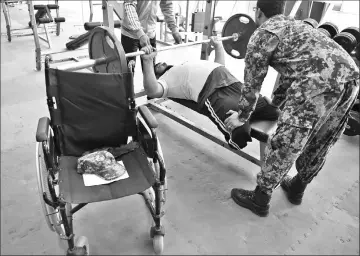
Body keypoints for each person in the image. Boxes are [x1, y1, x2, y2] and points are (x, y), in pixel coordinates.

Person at [225, 0, 359, 217]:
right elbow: (295, 69)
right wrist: (276, 104)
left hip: (318, 82)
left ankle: (260, 199)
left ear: (258, 12)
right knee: (322, 138)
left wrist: (242, 116)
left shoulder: (263, 34)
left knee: (288, 138)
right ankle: (297, 187)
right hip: (351, 77)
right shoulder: (299, 27)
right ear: (282, 11)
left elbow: (252, 85)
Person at [140, 37, 280, 150]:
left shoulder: (182, 65)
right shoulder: (165, 81)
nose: (158, 63)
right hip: (213, 93)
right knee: (239, 132)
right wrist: (147, 62)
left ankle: (246, 114)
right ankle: (245, 121)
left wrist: (218, 47)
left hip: (231, 81)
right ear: (155, 76)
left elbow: (218, 65)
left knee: (273, 110)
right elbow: (152, 91)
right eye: (155, 66)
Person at [122, 0, 182, 70]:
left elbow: (167, 5)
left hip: (150, 33)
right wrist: (139, 32)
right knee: (128, 72)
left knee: (150, 71)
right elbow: (129, 5)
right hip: (130, 34)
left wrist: (174, 29)